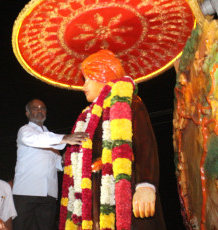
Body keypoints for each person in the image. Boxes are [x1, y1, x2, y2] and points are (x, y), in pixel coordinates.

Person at [59, 50, 166, 230]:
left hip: (127, 188)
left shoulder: (130, 103)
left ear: (102, 76)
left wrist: (146, 185)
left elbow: (145, 146)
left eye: (87, 79)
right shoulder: (86, 118)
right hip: (94, 196)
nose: (83, 86)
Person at [12, 99, 88, 230]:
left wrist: (64, 159)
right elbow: (36, 140)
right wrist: (65, 138)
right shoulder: (25, 130)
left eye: (42, 108)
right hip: (26, 193)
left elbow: (57, 164)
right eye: (35, 108)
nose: (40, 110)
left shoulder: (50, 136)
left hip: (49, 194)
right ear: (28, 113)